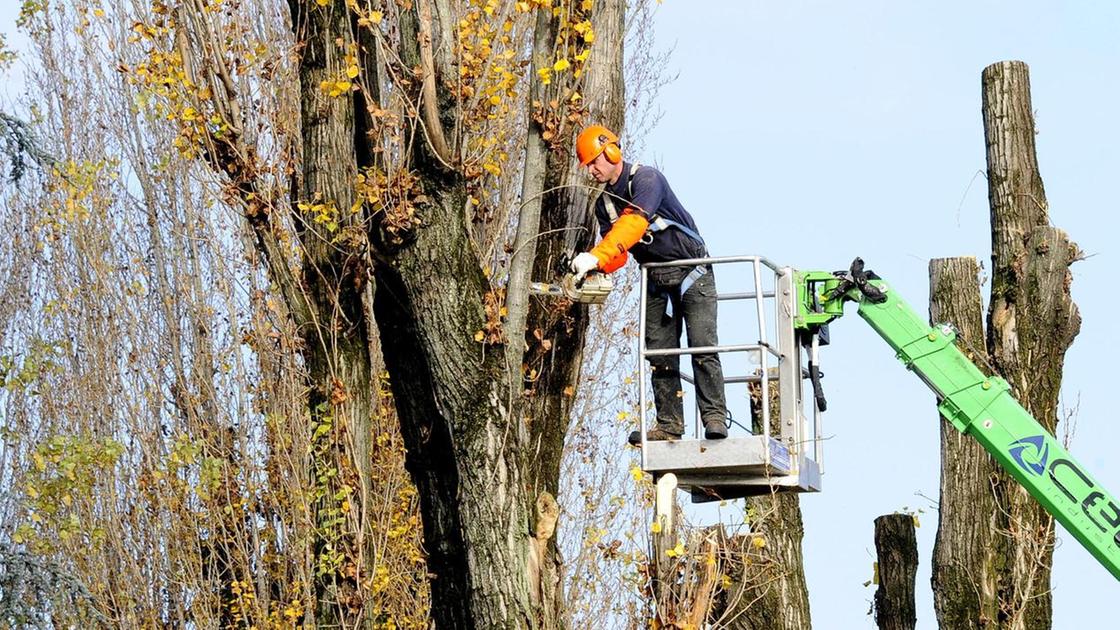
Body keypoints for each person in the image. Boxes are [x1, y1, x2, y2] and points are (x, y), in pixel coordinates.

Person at [570, 124, 728, 444]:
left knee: (703, 346)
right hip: (656, 279)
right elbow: (618, 253)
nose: (593, 169)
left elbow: (634, 223)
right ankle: (669, 424)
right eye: (588, 165)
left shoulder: (646, 180)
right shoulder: (604, 205)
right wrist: (594, 262)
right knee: (659, 354)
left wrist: (598, 254)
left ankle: (714, 418)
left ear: (612, 151)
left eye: (595, 161)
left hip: (692, 273)